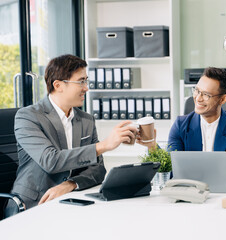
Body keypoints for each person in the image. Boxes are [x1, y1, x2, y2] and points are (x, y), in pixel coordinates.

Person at [4, 54, 138, 217]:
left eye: (86, 81)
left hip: (70, 202)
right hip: (32, 206)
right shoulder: (28, 117)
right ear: (58, 85)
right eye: (81, 81)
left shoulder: (86, 120)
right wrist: (104, 145)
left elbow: (98, 170)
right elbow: (50, 160)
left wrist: (71, 184)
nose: (86, 88)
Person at [138, 67, 226, 179]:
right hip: (190, 192)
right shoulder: (180, 125)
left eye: (206, 95)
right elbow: (170, 168)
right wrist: (152, 146)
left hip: (224, 194)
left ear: (223, 99)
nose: (198, 98)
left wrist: (194, 169)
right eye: (197, 90)